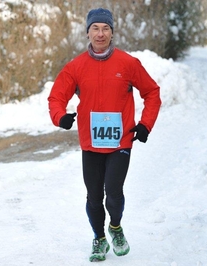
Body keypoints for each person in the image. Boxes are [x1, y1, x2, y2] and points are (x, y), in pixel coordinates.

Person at [47, 8, 161, 262]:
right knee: (94, 196)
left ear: (112, 32)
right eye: (95, 28)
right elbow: (56, 97)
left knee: (114, 191)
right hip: (90, 143)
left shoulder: (128, 64)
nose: (100, 34)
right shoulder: (75, 67)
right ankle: (98, 238)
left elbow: (152, 92)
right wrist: (60, 117)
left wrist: (145, 124)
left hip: (121, 141)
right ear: (87, 32)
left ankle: (116, 228)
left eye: (105, 28)